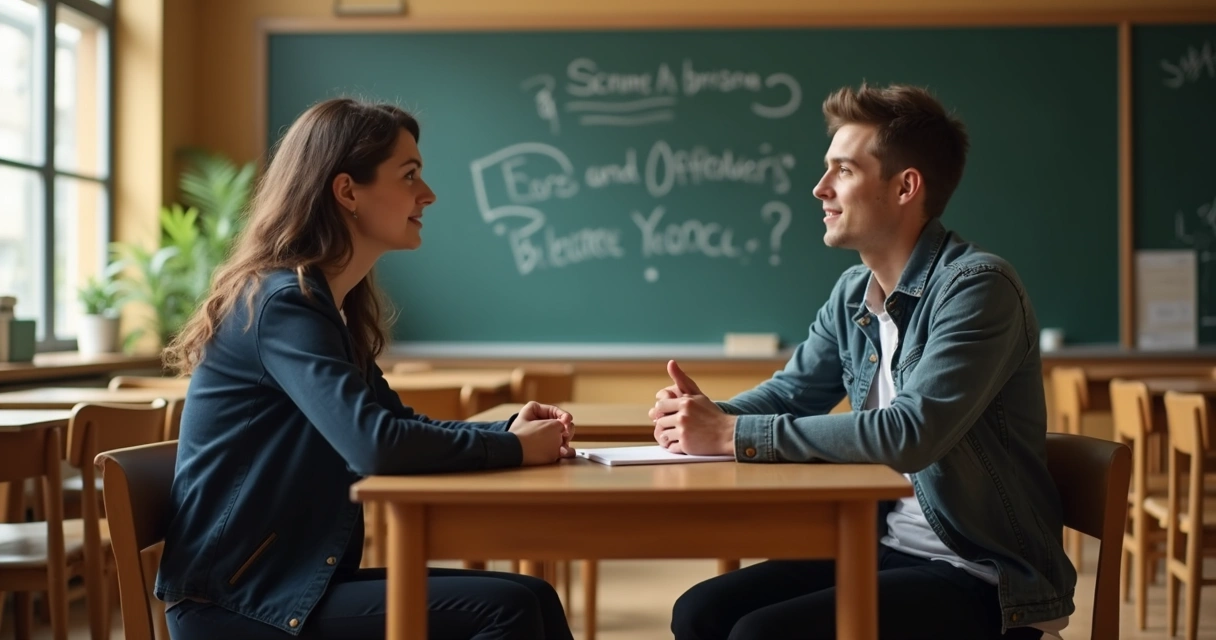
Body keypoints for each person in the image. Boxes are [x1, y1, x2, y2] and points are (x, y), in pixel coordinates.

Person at [651, 83, 1075, 640]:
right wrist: (704, 416)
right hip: (885, 547)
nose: (820, 187)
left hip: (983, 575)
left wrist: (731, 433)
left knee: (761, 634)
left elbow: (911, 433)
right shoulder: (855, 290)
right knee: (699, 612)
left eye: (844, 170)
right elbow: (791, 393)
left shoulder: (978, 287)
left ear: (905, 187)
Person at [156, 98, 577, 640]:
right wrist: (514, 449)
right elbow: (375, 446)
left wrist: (509, 430)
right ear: (348, 191)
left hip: (289, 584)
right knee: (508, 609)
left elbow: (395, 424)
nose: (428, 194)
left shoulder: (322, 304)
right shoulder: (283, 304)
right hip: (238, 603)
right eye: (410, 175)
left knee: (533, 595)